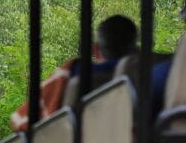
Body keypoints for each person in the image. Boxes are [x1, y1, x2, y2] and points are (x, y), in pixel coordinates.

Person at [10, 14, 138, 131]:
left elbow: (21, 120)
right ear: (136, 49)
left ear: (96, 50)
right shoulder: (147, 74)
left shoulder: (77, 72)